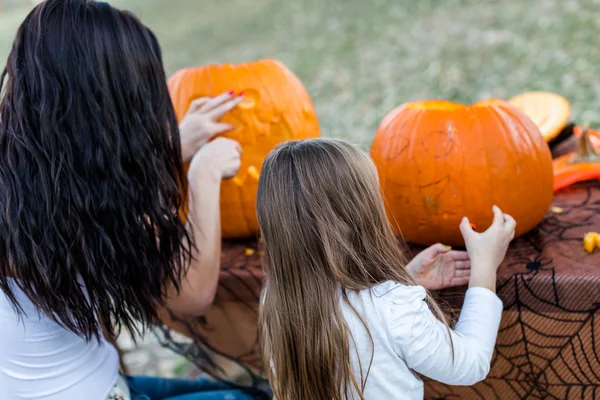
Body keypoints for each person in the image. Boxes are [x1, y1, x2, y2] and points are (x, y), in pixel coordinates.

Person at [0, 1, 260, 399]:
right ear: (111, 105)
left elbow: (88, 170)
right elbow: (190, 295)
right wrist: (203, 174)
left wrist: (172, 145)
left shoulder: (26, 173)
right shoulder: (77, 210)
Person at [256, 138, 516, 400]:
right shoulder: (393, 309)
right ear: (363, 217)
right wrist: (485, 265)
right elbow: (470, 364)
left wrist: (409, 278)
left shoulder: (276, 298)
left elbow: (349, 309)